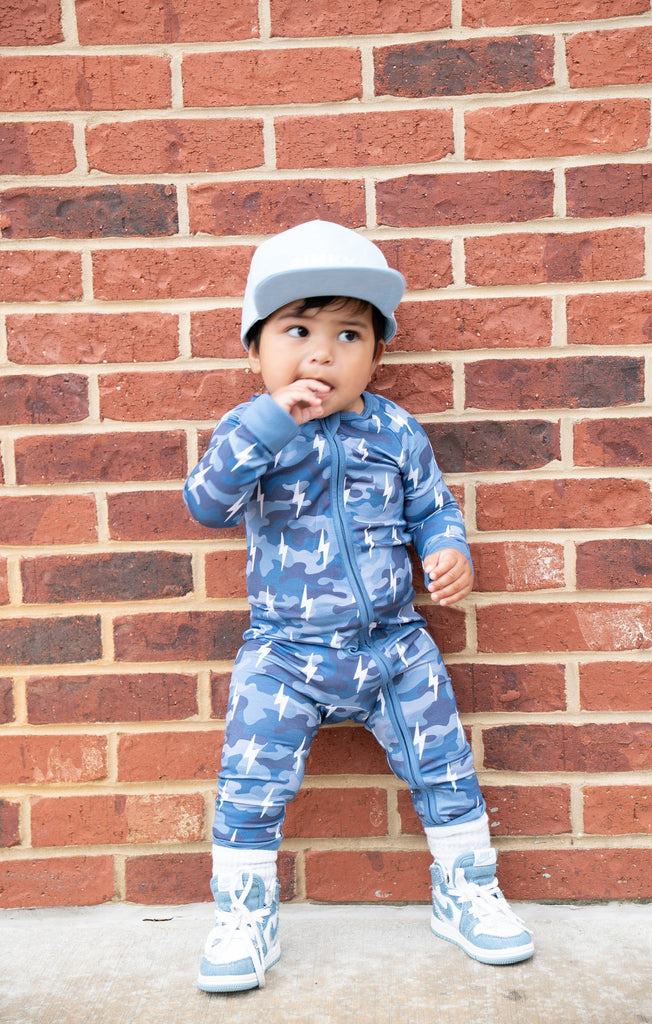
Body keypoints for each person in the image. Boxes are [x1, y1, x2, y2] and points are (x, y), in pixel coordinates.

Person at [183, 220, 533, 993]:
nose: (322, 354)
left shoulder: (394, 430)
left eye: (348, 335)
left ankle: (466, 890)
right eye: (297, 331)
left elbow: (430, 508)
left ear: (375, 356)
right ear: (254, 350)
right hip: (284, 653)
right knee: (249, 783)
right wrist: (272, 420)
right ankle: (242, 914)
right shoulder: (250, 429)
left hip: (393, 647)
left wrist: (448, 550)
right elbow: (206, 502)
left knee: (444, 766)